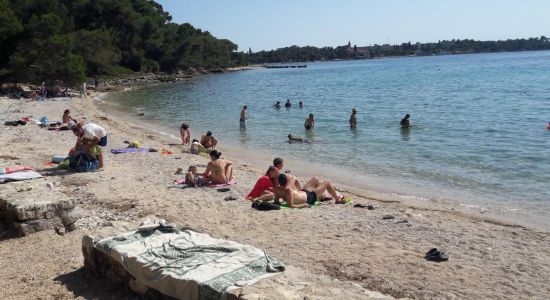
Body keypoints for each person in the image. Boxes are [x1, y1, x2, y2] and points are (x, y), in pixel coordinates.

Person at [274, 174, 343, 208]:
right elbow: (291, 205)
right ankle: (338, 200)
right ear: (286, 181)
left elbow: (276, 201)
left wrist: (282, 199)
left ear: (279, 182)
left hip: (304, 192)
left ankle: (322, 197)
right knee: (327, 182)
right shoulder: (288, 190)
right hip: (310, 198)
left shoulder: (277, 189)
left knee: (315, 179)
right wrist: (304, 205)